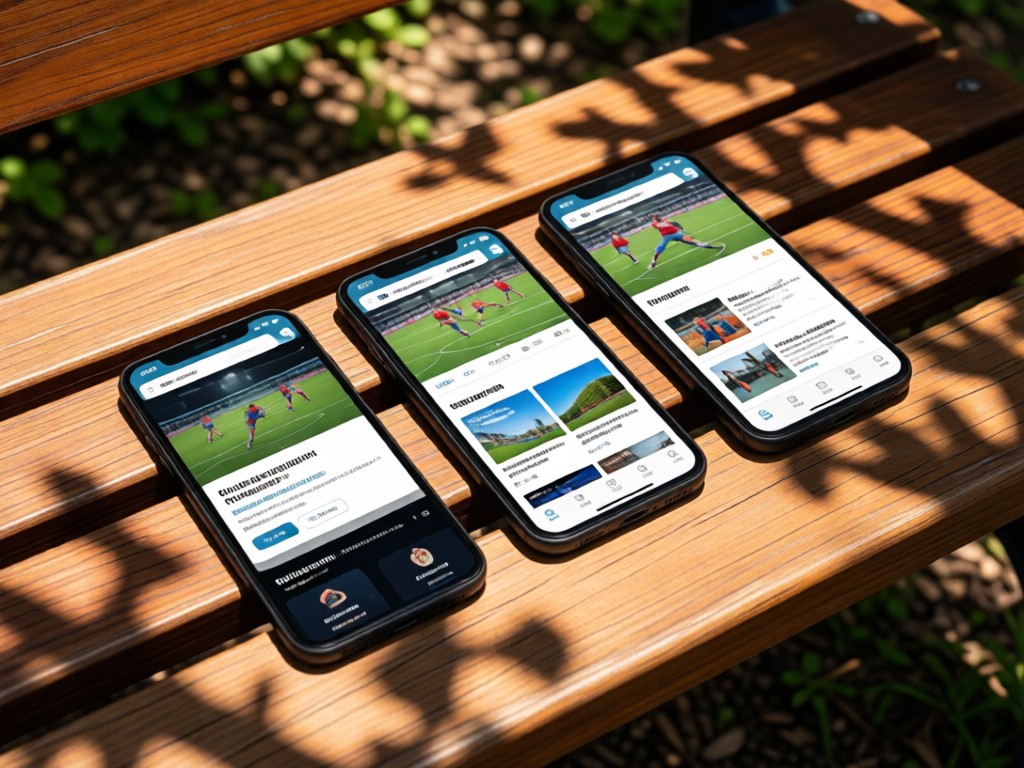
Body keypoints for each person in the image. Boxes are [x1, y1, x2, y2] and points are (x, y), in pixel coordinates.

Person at [647, 214, 720, 270]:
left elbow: (655, 223)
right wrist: (657, 217)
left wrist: (654, 218)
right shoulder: (664, 221)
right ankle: (702, 244)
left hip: (667, 237)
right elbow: (662, 220)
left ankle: (653, 262)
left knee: (660, 249)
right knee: (688, 241)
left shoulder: (655, 224)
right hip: (677, 234)